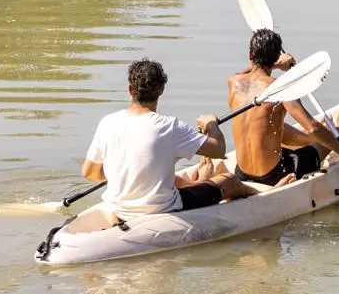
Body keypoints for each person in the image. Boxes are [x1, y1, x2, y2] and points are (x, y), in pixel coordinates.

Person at [79, 57, 253, 225]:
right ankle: (262, 197)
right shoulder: (169, 126)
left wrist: (124, 173)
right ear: (161, 90)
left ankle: (198, 184)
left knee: (174, 179)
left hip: (118, 209)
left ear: (130, 90)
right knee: (229, 180)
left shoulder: (108, 122)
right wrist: (211, 124)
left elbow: (90, 172)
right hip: (162, 210)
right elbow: (218, 150)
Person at [228, 28, 339, 185]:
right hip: (275, 175)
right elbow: (312, 128)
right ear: (275, 58)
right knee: (336, 133)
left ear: (250, 54)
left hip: (241, 173)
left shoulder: (234, 82)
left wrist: (275, 64)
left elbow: (249, 73)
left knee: (273, 124)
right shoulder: (282, 89)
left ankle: (309, 142)